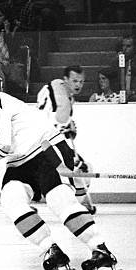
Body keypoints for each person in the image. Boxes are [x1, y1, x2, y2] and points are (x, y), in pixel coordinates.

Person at [0, 59, 119, 270]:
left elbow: (1, 146)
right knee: (11, 199)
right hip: (21, 158)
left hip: (46, 147)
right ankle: (51, 251)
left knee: (58, 199)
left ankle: (102, 250)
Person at [36, 65, 96, 214]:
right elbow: (48, 122)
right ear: (66, 79)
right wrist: (65, 128)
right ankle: (82, 204)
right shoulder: (58, 93)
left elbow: (59, 122)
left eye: (81, 82)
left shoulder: (63, 92)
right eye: (75, 81)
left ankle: (81, 202)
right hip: (44, 141)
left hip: (50, 139)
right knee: (78, 169)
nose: (78, 85)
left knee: (81, 169)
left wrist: (67, 128)